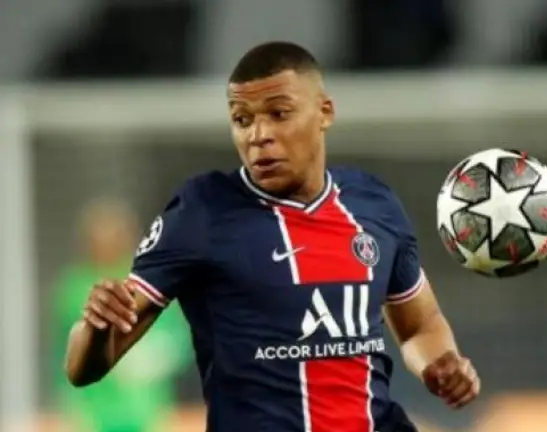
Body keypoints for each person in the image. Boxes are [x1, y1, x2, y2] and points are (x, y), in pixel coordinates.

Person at [63, 41, 480, 431]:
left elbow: (420, 326)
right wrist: (97, 328)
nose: (257, 135)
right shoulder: (202, 211)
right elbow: (83, 369)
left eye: (279, 114)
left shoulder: (374, 203)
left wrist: (440, 363)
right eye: (242, 120)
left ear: (325, 112)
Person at [54, 198, 192, 432]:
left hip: (146, 413)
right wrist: (68, 408)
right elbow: (61, 354)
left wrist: (152, 358)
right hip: (92, 417)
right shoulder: (73, 289)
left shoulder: (147, 282)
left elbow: (180, 341)